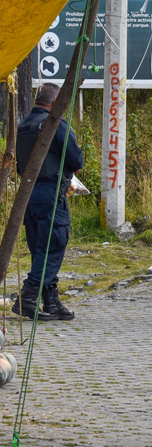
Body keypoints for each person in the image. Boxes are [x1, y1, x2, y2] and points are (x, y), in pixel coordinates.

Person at [13, 84, 84, 321]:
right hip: (50, 192)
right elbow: (76, 160)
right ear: (55, 103)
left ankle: (51, 301)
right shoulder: (54, 124)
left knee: (40, 249)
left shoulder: (23, 126)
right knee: (53, 245)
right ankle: (28, 297)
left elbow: (19, 165)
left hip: (28, 194)